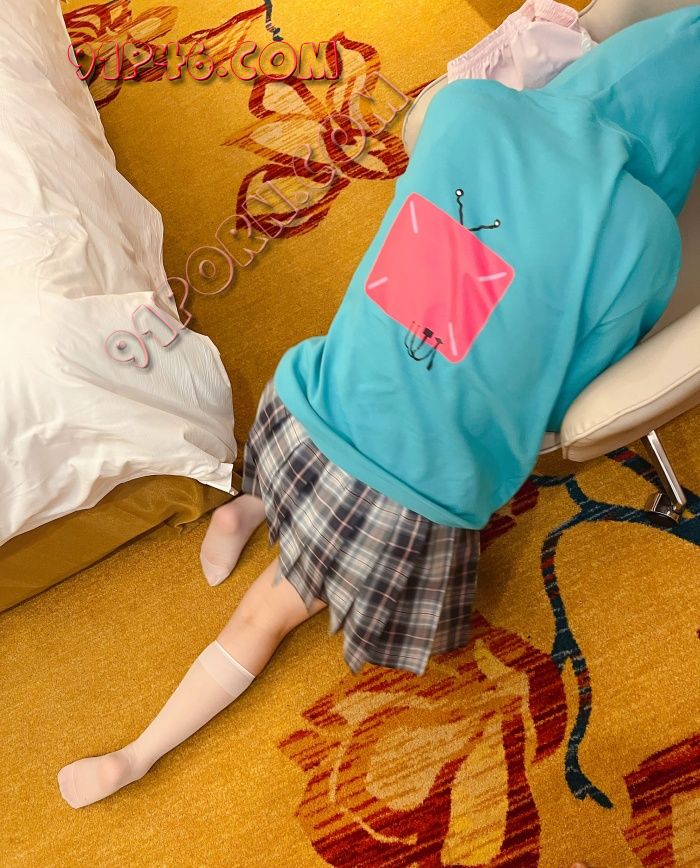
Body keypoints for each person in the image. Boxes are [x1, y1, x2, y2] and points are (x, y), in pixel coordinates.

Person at [58, 5, 699, 810]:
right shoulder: (647, 237)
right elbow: (575, 398)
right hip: (407, 495)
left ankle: (248, 508)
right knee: (268, 614)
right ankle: (135, 756)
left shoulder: (470, 109)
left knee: (415, 325)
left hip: (304, 409)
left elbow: (427, 267)